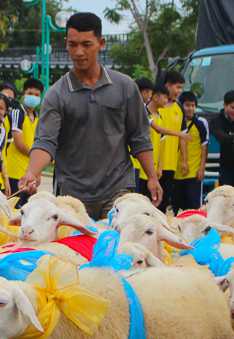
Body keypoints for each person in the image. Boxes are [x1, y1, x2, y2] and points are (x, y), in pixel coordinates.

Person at [18, 12, 161, 220]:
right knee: (76, 250)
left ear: (101, 43)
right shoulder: (56, 94)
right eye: (72, 45)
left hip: (118, 187)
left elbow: (139, 137)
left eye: (87, 44)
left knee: (116, 244)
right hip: (72, 195)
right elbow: (46, 141)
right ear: (65, 43)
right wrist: (32, 172)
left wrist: (152, 177)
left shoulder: (125, 86)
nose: (78, 52)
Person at [155, 71, 188, 213]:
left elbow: (183, 136)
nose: (179, 91)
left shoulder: (179, 107)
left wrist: (184, 160)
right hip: (155, 163)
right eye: (177, 87)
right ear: (167, 86)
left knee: (165, 200)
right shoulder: (155, 106)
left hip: (171, 163)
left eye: (181, 88)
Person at [6, 78, 43, 205]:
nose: (33, 97)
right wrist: (36, 159)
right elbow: (19, 142)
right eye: (30, 93)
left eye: (37, 95)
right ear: (23, 95)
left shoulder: (38, 119)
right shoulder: (17, 114)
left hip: (29, 173)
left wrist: (37, 171)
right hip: (14, 171)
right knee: (13, 208)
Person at [172, 92, 209, 212]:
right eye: (187, 105)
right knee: (176, 207)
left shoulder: (201, 123)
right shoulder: (175, 121)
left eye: (193, 105)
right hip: (176, 171)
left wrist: (201, 168)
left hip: (194, 172)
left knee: (194, 207)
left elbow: (205, 145)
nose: (190, 108)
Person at [135, 84, 167, 195]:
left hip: (149, 166)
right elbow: (158, 129)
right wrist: (181, 135)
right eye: (150, 94)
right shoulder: (141, 112)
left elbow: (157, 143)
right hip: (137, 164)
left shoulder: (157, 116)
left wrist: (159, 166)